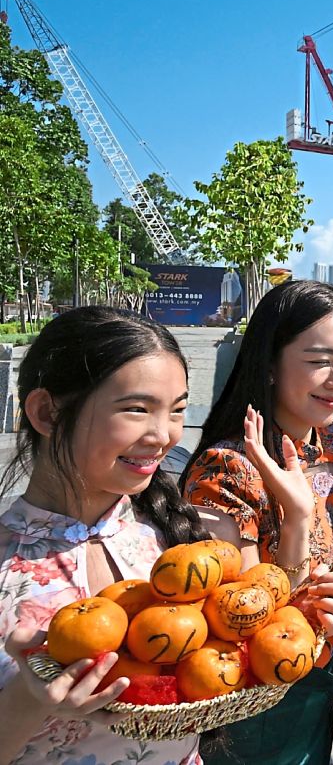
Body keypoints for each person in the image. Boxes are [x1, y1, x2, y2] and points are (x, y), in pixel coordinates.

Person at [0, 306, 212, 765]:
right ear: (45, 412)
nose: (164, 436)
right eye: (137, 409)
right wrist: (30, 695)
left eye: (177, 411)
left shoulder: (170, 535)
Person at [181, 281, 333, 765]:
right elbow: (237, 619)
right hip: (253, 700)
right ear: (269, 362)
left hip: (318, 679)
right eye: (319, 360)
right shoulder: (226, 470)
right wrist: (297, 521)